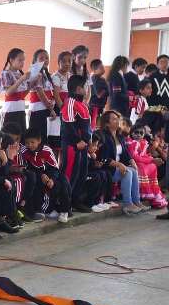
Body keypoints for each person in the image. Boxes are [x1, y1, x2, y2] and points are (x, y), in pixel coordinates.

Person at [98, 110, 148, 215]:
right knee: (127, 172)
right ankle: (127, 204)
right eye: (114, 119)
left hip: (117, 167)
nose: (118, 121)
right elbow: (103, 158)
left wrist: (132, 161)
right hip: (108, 169)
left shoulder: (120, 136)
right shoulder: (103, 136)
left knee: (133, 170)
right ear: (107, 123)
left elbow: (125, 153)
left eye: (118, 118)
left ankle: (136, 202)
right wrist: (119, 164)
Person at [22, 128, 72, 223]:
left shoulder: (47, 150)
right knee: (37, 183)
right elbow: (27, 168)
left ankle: (65, 210)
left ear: (39, 141)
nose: (29, 145)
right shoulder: (24, 151)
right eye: (27, 142)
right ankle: (47, 210)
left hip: (52, 173)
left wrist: (52, 179)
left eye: (32, 142)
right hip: (37, 175)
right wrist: (41, 175)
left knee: (63, 182)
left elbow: (55, 168)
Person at [60, 75, 92, 213]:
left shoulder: (82, 103)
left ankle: (75, 201)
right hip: (73, 146)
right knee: (69, 174)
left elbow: (86, 126)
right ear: (78, 89)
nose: (88, 88)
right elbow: (68, 126)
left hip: (83, 145)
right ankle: (63, 204)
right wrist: (77, 141)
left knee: (81, 173)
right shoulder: (70, 102)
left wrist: (88, 140)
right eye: (86, 86)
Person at [2, 122, 41, 222]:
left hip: (19, 171)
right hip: (6, 174)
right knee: (15, 180)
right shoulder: (2, 148)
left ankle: (22, 207)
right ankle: (13, 212)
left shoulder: (22, 148)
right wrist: (13, 168)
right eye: (12, 139)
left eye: (17, 139)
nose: (15, 142)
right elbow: (3, 168)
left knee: (31, 175)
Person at [124, 122, 167, 208]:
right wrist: (152, 160)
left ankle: (152, 192)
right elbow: (135, 157)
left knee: (153, 166)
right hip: (131, 163)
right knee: (142, 166)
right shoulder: (131, 143)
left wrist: (152, 160)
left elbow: (144, 155)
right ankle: (144, 193)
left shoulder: (143, 142)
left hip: (140, 162)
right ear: (131, 133)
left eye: (141, 133)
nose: (139, 135)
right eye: (136, 132)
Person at [0, 48, 32, 134]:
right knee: (8, 137)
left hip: (20, 109)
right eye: (20, 60)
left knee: (21, 136)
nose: (22, 63)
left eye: (23, 60)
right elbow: (8, 93)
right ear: (11, 60)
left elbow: (22, 95)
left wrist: (32, 84)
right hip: (10, 111)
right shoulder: (6, 73)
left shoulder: (20, 74)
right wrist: (21, 79)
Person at [28, 49, 57, 138]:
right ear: (35, 61)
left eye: (47, 58)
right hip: (38, 111)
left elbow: (51, 92)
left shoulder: (46, 74)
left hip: (46, 109)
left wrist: (52, 104)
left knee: (45, 137)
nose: (45, 60)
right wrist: (50, 108)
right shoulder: (34, 72)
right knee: (38, 138)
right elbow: (40, 92)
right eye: (41, 58)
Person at [86, 133, 116, 212]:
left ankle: (98, 201)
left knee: (104, 173)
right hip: (84, 177)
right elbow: (86, 168)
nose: (96, 148)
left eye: (97, 145)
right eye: (94, 145)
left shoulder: (92, 155)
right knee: (97, 176)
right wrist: (93, 163)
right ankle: (90, 203)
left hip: (90, 173)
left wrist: (96, 165)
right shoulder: (83, 154)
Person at [50, 51, 73, 151]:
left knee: (66, 141)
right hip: (60, 110)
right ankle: (54, 166)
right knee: (57, 141)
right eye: (64, 61)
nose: (67, 64)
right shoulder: (56, 76)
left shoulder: (71, 76)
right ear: (59, 62)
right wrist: (64, 110)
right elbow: (56, 95)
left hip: (69, 110)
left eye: (69, 61)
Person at [89, 59, 110, 130]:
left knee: (98, 125)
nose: (103, 69)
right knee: (94, 126)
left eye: (103, 67)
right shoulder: (95, 79)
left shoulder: (101, 79)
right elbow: (98, 94)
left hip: (100, 105)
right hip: (95, 106)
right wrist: (107, 89)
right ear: (94, 70)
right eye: (101, 68)